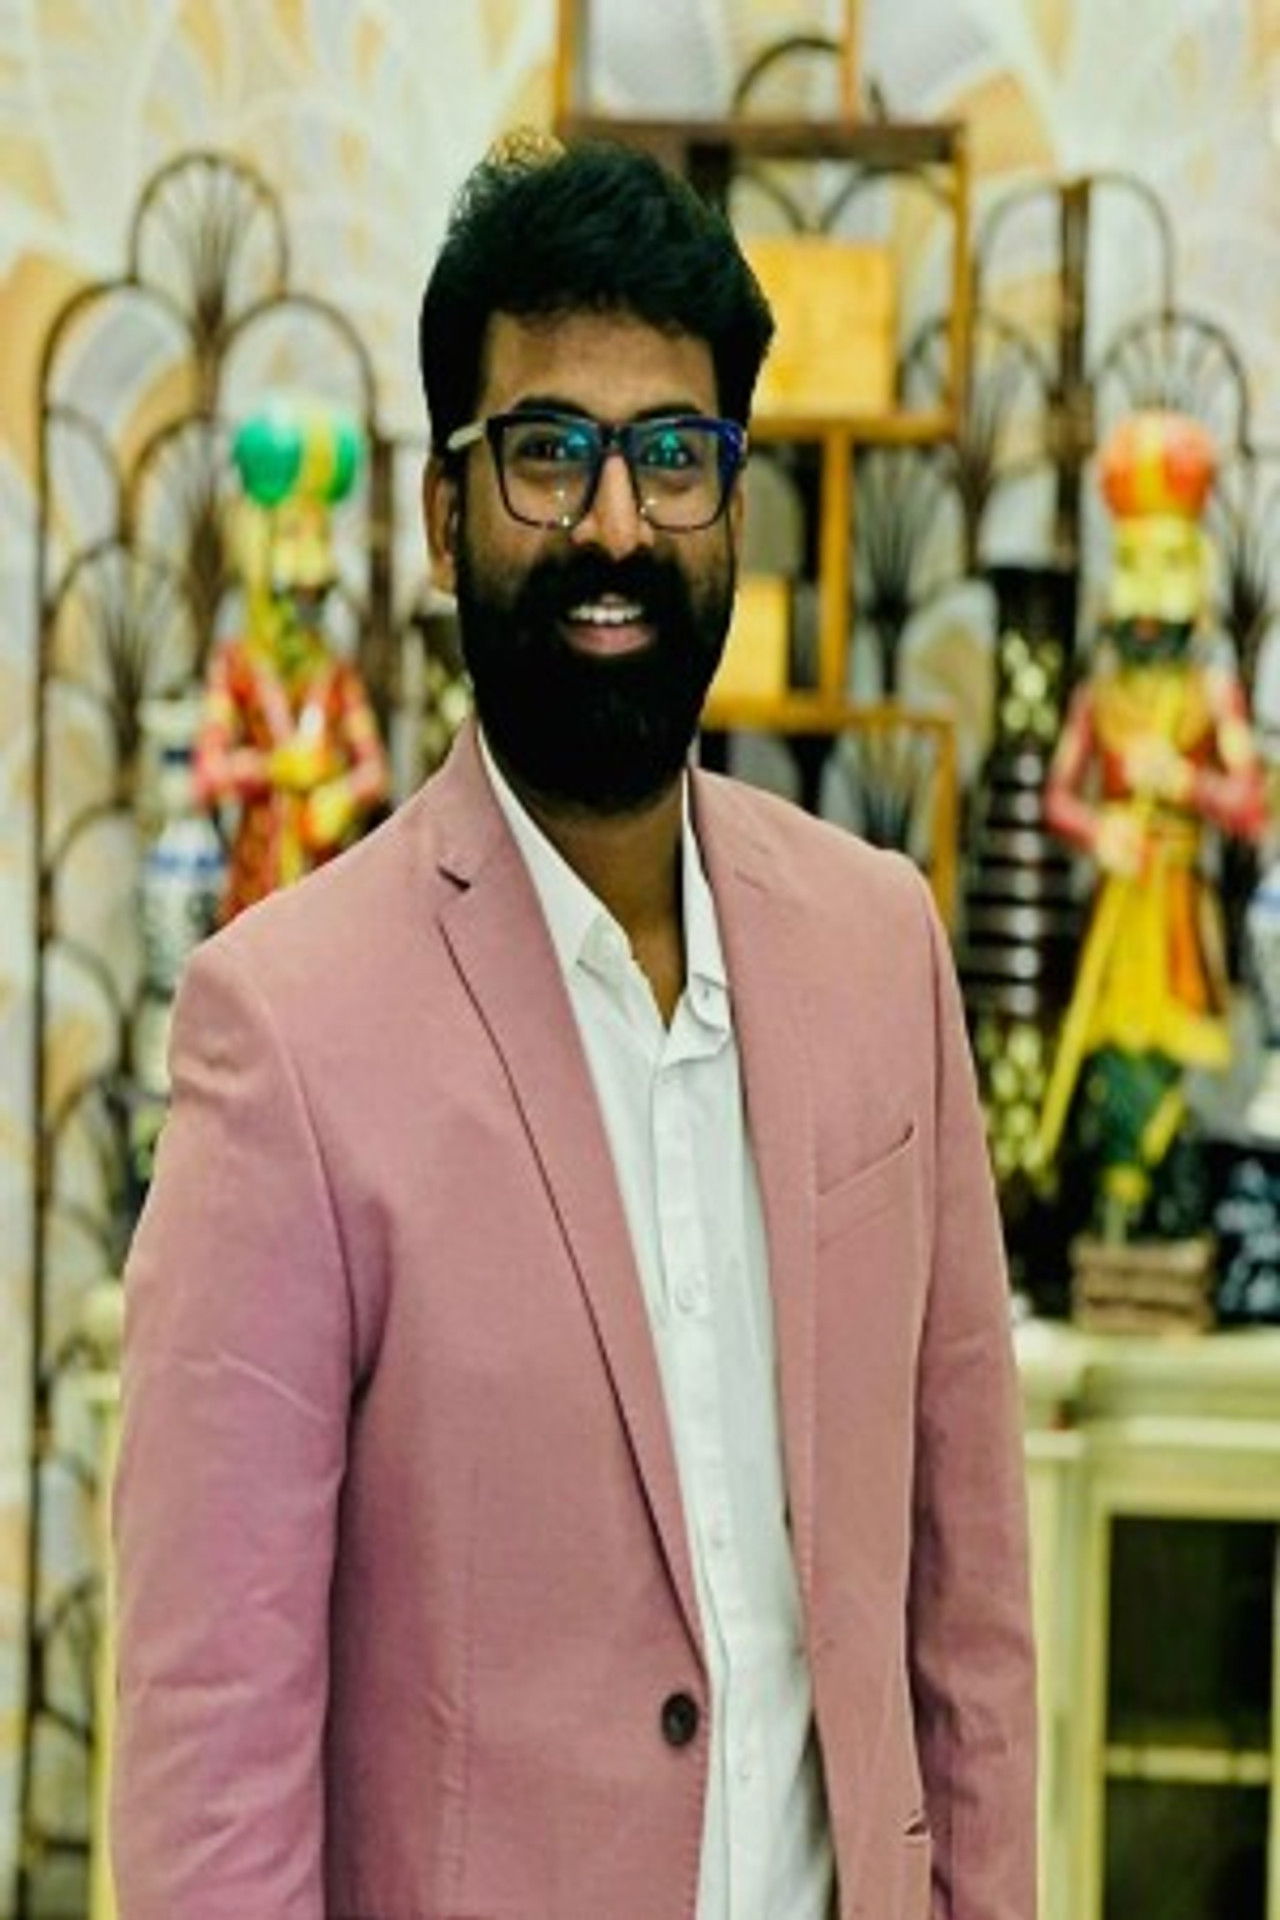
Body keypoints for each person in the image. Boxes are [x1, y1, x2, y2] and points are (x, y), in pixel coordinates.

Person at [112, 135, 1036, 1920]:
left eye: (673, 456)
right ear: (444, 514)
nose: (616, 525)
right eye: (551, 451)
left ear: (734, 508)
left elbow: (970, 1617)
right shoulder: (285, 1035)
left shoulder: (881, 951)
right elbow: (210, 1756)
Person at [1035, 409, 1265, 1239]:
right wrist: (1099, 832)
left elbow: (1252, 806)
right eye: (1134, 563)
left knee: (1170, 1060)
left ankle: (1157, 1202)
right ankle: (1115, 1206)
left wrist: (1187, 782)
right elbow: (1058, 799)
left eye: (1166, 564)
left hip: (1175, 911)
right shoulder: (1097, 698)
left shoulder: (1213, 697)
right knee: (1111, 1058)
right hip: (1118, 909)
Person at [194, 398, 390, 922]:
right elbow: (207, 773)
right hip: (254, 894)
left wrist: (343, 795)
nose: (310, 570)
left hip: (325, 890)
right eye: (292, 534)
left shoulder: (336, 676)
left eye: (319, 534)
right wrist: (271, 768)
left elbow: (374, 768)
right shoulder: (236, 667)